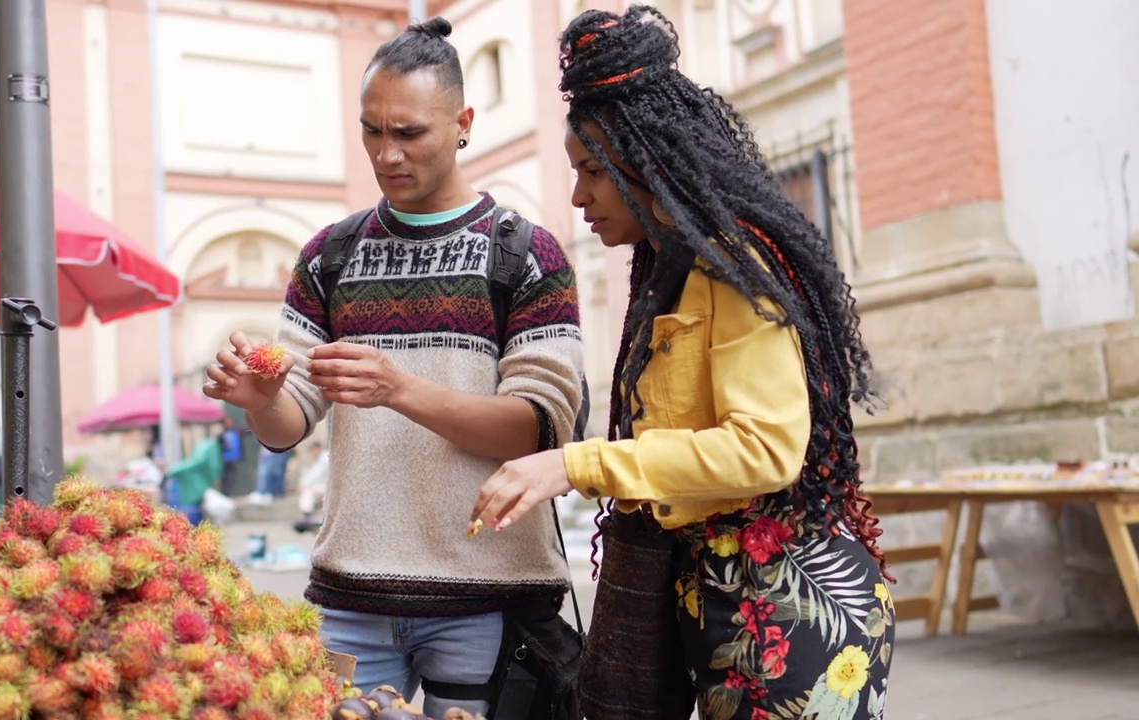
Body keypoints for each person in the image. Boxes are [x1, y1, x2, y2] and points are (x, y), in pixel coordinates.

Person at [471, 6, 894, 719]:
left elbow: (765, 450)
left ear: (644, 161)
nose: (577, 198)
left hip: (795, 617)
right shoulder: (671, 275)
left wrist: (578, 463)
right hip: (728, 609)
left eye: (592, 172)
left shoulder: (735, 270)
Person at [203, 16, 583, 718]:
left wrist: (400, 389)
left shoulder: (526, 255)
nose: (387, 154)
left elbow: (537, 433)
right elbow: (288, 427)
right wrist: (258, 398)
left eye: (409, 133)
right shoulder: (329, 255)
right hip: (349, 594)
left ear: (464, 121)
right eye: (371, 131)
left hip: (486, 599)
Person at [218, 416, 242, 496]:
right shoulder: (222, 434)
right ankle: (225, 494)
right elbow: (218, 444)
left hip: (234, 459)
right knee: (225, 478)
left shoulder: (236, 431)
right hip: (225, 459)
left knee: (232, 478)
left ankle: (229, 493)